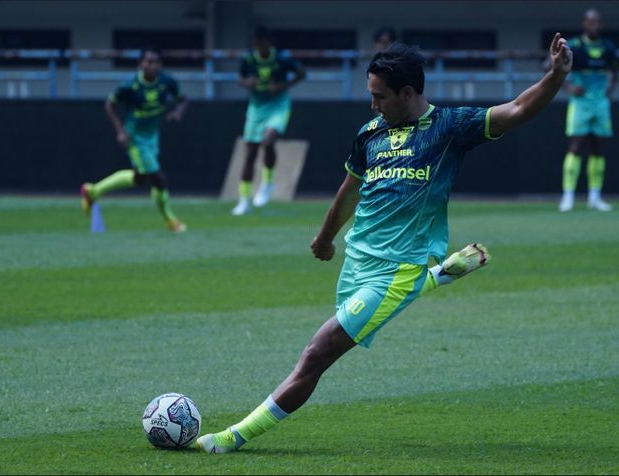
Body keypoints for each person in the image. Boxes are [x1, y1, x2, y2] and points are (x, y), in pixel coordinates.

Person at [197, 33, 572, 454]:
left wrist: (554, 76)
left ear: (408, 92)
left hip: (394, 272)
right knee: (338, 334)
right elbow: (350, 188)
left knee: (317, 354)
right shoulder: (370, 132)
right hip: (357, 263)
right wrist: (325, 237)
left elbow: (518, 109)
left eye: (380, 97)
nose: (372, 104)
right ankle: (438, 275)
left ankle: (231, 438)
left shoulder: (450, 128)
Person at [80, 48, 188, 232]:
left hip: (152, 135)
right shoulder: (130, 86)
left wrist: (178, 112)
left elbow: (183, 99)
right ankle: (170, 220)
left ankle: (92, 191)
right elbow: (110, 105)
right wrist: (120, 131)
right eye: (149, 62)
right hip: (135, 137)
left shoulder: (165, 81)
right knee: (159, 179)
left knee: (140, 178)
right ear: (141, 65)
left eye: (156, 62)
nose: (153, 66)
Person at [231, 26, 306, 216]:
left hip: (278, 105)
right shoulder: (248, 59)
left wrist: (283, 86)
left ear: (269, 43)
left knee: (269, 140)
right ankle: (244, 200)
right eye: (256, 43)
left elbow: (302, 73)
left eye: (262, 42)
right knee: (250, 153)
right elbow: (240, 78)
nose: (259, 46)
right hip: (256, 107)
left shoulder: (281, 58)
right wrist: (247, 83)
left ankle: (267, 183)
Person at [559, 8, 618, 212]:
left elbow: (616, 73)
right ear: (584, 24)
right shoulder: (574, 46)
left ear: (600, 25)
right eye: (590, 22)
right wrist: (568, 88)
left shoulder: (608, 47)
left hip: (601, 104)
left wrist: (608, 93)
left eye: (597, 22)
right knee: (575, 146)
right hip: (580, 104)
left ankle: (595, 196)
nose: (593, 26)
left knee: (598, 149)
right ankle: (568, 196)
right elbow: (549, 66)